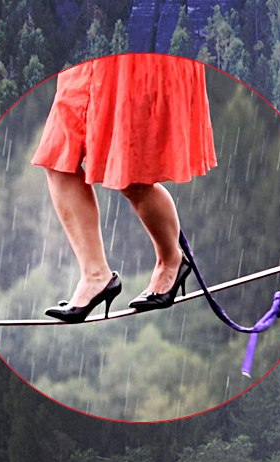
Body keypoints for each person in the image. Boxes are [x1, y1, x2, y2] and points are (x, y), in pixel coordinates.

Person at [31, 54, 217, 322]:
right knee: (57, 159)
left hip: (135, 65)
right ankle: (95, 276)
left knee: (132, 176)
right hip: (88, 63)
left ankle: (171, 261)